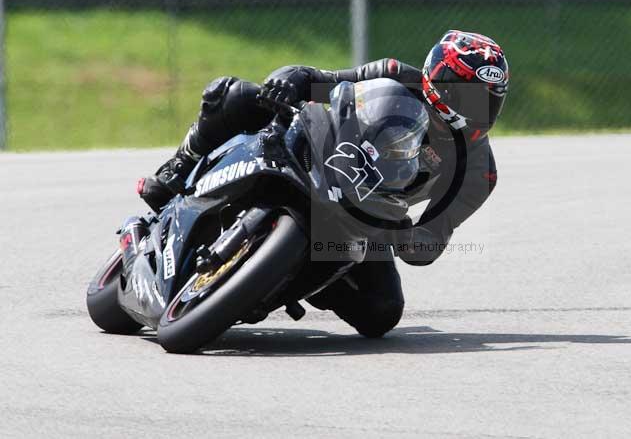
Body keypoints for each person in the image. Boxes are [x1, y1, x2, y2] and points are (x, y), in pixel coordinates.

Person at [138, 30, 509, 337]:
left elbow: (435, 234)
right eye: (468, 96)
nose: (478, 111)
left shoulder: (479, 172)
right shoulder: (394, 75)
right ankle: (178, 168)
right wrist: (289, 81)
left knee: (382, 311)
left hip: (369, 217)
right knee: (236, 94)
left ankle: (289, 282)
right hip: (321, 152)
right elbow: (318, 80)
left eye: (490, 102)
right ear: (437, 81)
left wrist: (414, 240)